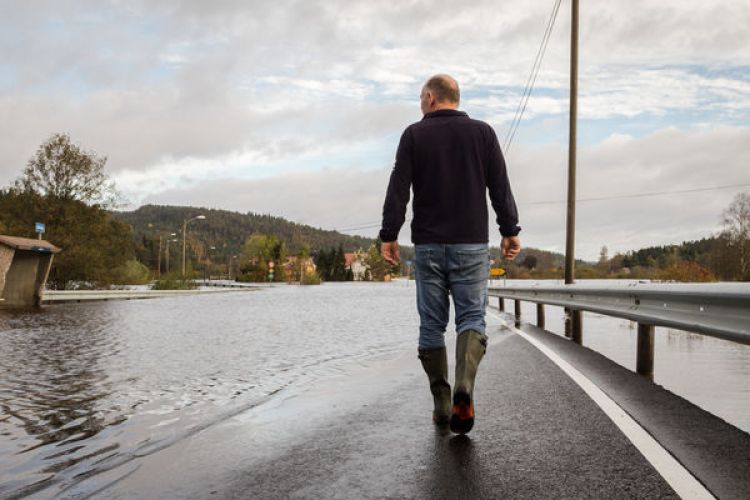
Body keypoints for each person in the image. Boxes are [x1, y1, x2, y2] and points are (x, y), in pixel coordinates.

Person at [379, 74, 521, 434]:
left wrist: (389, 235)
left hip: (427, 247)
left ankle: (442, 403)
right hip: (472, 244)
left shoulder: (413, 134)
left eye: (420, 99)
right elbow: (499, 186)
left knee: (431, 325)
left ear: (430, 97)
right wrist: (509, 230)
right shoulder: (483, 133)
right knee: (472, 318)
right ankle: (465, 387)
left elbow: (398, 188)